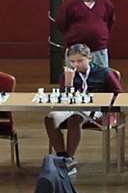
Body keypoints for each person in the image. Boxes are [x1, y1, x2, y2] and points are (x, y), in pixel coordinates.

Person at [44, 43, 118, 173]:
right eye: (72, 61)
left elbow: (118, 93)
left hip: (96, 109)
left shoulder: (104, 72)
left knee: (75, 118)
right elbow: (63, 99)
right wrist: (68, 83)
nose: (75, 65)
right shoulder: (67, 74)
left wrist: (107, 104)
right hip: (71, 106)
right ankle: (62, 156)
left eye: (80, 61)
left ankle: (70, 159)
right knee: (50, 118)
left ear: (89, 58)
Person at [54, 0, 115, 69]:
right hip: (76, 50)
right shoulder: (69, 6)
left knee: (101, 77)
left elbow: (109, 22)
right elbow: (61, 24)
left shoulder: (106, 4)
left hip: (99, 49)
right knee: (74, 78)